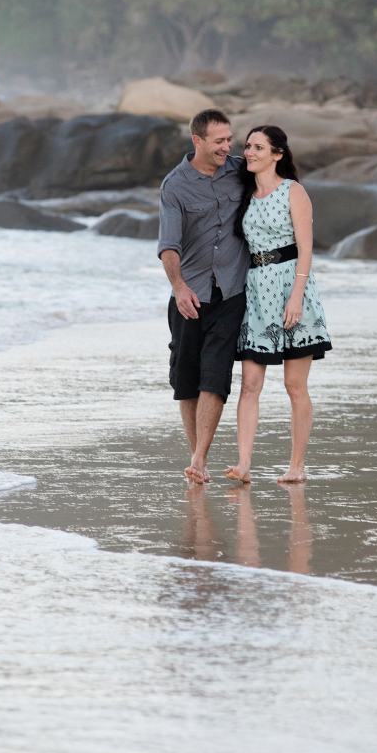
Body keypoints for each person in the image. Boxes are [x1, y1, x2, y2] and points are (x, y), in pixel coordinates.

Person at [225, 125, 331, 485]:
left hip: (291, 290)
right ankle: (243, 465)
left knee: (294, 386)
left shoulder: (293, 191)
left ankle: (297, 466)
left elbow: (306, 248)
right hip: (256, 293)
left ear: (278, 154)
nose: (249, 152)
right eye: (247, 146)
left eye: (257, 147)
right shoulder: (244, 193)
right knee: (250, 384)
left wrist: (297, 298)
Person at [158, 108, 249, 483]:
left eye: (230, 139)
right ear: (197, 141)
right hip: (190, 294)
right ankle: (198, 458)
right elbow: (168, 246)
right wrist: (179, 288)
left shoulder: (241, 170)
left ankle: (199, 460)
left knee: (216, 375)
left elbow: (281, 182)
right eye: (219, 141)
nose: (227, 147)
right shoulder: (175, 185)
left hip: (231, 291)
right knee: (186, 378)